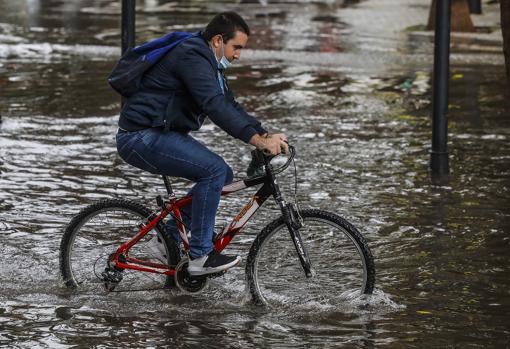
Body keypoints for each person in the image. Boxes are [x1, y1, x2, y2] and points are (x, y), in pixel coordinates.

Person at [115, 11, 288, 276]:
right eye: (236, 47)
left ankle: (167, 238)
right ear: (218, 40)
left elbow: (229, 105)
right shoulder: (192, 56)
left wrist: (263, 134)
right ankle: (200, 256)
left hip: (160, 132)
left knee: (223, 174)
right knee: (214, 171)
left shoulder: (209, 61)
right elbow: (214, 105)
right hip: (140, 136)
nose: (238, 55)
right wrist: (257, 141)